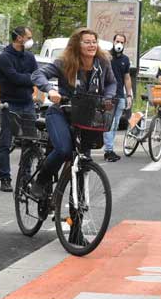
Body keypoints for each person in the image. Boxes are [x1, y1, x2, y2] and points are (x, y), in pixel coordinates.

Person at [29, 28, 116, 199]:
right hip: (62, 112)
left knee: (83, 160)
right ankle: (41, 181)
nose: (92, 45)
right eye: (87, 42)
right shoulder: (65, 62)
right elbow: (38, 74)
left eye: (94, 41)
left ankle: (77, 214)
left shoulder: (103, 62)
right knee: (64, 150)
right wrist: (50, 90)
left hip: (87, 116)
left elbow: (112, 83)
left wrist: (108, 97)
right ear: (77, 44)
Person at [0, 26, 37, 192]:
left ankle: (26, 178)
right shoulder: (4, 57)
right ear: (19, 38)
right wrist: (29, 79)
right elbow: (13, 78)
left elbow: (36, 75)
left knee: (30, 143)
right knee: (6, 143)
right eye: (28, 37)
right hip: (10, 104)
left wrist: (29, 79)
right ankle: (5, 179)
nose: (30, 40)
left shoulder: (29, 57)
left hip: (27, 103)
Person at [103, 33, 133, 162]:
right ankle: (108, 150)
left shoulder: (125, 60)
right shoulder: (106, 57)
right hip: (108, 95)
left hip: (120, 95)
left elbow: (127, 77)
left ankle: (109, 149)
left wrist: (129, 95)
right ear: (113, 41)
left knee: (115, 124)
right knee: (109, 123)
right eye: (117, 41)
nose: (119, 44)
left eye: (122, 42)